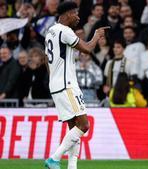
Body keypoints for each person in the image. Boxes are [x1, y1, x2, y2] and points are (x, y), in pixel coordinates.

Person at [44, 2, 109, 169]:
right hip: (67, 85)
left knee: (74, 128)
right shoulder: (65, 31)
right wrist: (96, 35)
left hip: (57, 85)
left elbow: (46, 59)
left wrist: (54, 78)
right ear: (66, 14)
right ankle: (54, 158)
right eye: (75, 13)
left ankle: (72, 167)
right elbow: (87, 49)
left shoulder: (50, 31)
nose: (78, 17)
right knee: (84, 125)